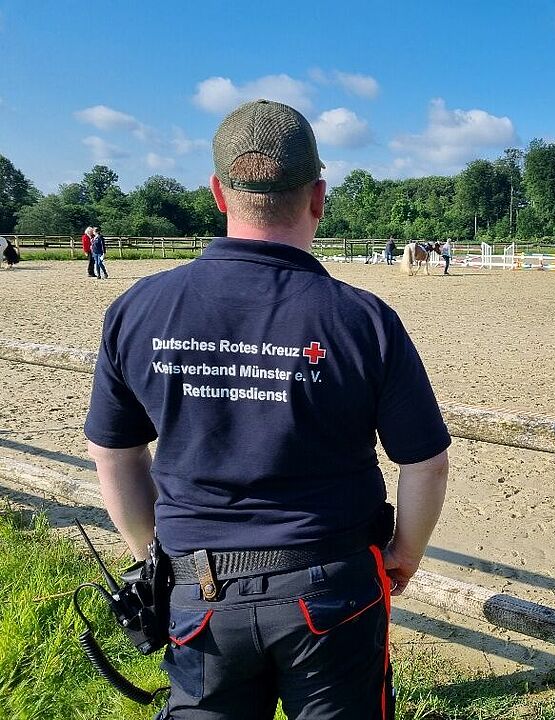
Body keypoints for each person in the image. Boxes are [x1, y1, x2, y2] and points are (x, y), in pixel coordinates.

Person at [84, 99, 450, 720]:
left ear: (218, 195)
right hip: (332, 581)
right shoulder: (363, 320)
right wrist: (404, 556)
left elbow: (114, 454)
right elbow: (425, 462)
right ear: (318, 196)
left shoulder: (139, 309)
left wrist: (158, 552)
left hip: (199, 588)